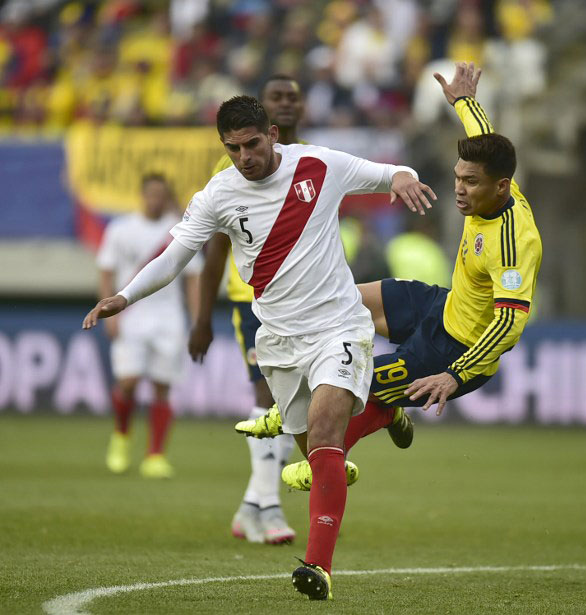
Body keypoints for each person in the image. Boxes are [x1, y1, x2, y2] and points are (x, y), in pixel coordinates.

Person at [83, 94, 436, 600]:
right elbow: (175, 255)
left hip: (338, 325)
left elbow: (386, 172)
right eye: (233, 149)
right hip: (277, 342)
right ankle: (382, 410)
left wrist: (402, 174)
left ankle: (319, 568)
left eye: (252, 144)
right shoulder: (218, 195)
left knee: (324, 433)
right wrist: (124, 295)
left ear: (272, 133)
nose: (244, 157)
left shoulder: (318, 164)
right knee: (316, 451)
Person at [239, 62, 542, 492]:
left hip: (454, 350)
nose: (459, 189)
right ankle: (304, 397)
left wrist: (454, 374)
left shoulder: (513, 244)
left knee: (352, 385)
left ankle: (326, 456)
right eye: (457, 177)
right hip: (444, 305)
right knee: (343, 298)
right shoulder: (492, 181)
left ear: (502, 187)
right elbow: (483, 140)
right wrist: (463, 101)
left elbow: (510, 322)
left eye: (470, 183)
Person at [187, 75, 306, 546]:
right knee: (269, 399)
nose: (286, 104)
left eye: (293, 98)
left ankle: (251, 506)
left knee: (296, 402)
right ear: (265, 112)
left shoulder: (312, 161)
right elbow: (214, 250)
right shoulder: (233, 167)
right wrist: (201, 318)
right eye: (277, 98)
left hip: (303, 303)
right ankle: (270, 508)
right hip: (251, 300)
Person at [97, 173, 202, 479]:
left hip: (168, 315)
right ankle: (121, 436)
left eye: (160, 194)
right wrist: (109, 312)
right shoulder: (121, 229)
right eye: (150, 194)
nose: (155, 200)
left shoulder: (178, 231)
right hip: (131, 313)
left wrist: (197, 319)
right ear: (142, 195)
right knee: (128, 382)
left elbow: (193, 276)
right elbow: (106, 271)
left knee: (162, 385)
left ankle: (155, 454)